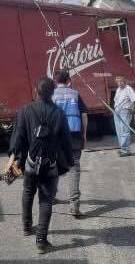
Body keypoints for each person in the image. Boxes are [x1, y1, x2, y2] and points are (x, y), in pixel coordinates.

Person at [8, 77, 74, 254]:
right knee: (46, 200)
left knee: (28, 191)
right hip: (50, 164)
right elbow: (66, 141)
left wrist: (15, 160)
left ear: (35, 91)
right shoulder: (59, 113)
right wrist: (69, 161)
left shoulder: (25, 110)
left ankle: (26, 226)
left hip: (30, 162)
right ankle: (41, 241)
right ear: (53, 92)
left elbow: (18, 139)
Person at [51, 70, 88, 218]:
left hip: (56, 135)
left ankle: (51, 196)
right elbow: (84, 116)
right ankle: (74, 206)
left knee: (54, 166)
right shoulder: (75, 94)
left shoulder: (51, 95)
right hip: (74, 134)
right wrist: (84, 136)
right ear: (69, 81)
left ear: (55, 81)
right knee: (74, 168)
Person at [113, 76, 135, 156]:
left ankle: (126, 150)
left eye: (121, 81)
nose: (119, 83)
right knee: (119, 131)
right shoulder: (118, 90)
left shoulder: (128, 89)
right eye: (118, 82)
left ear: (125, 81)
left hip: (125, 111)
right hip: (117, 111)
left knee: (125, 131)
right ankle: (122, 148)